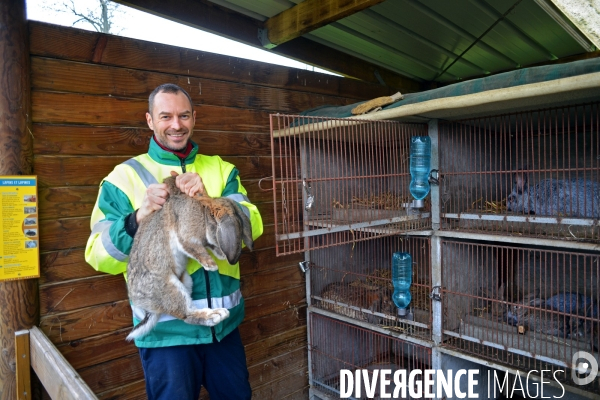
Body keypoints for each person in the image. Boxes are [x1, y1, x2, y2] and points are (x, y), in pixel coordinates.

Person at [85, 83, 263, 400]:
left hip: (223, 330)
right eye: (165, 116)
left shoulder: (221, 170)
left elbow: (253, 226)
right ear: (150, 120)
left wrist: (210, 200)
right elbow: (100, 255)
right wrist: (137, 218)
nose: (176, 125)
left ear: (194, 118)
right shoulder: (122, 178)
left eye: (183, 115)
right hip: (167, 336)